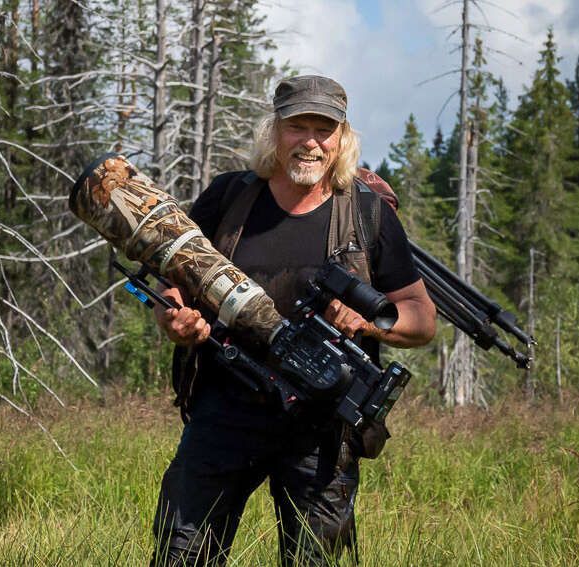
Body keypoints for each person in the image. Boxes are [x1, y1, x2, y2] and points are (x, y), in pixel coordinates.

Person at [149, 75, 437, 566]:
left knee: (314, 559)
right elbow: (173, 282)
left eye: (324, 130)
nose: (310, 142)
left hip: (321, 428)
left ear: (342, 138)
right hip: (224, 409)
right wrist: (174, 317)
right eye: (297, 127)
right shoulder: (230, 199)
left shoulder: (367, 214)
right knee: (183, 554)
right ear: (274, 131)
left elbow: (420, 317)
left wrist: (369, 324)